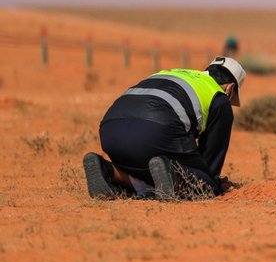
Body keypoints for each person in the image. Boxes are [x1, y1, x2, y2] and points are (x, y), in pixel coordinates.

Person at [82, 56, 246, 200]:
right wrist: (211, 180)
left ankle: (109, 170)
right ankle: (174, 178)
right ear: (230, 88)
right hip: (155, 130)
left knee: (151, 170)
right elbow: (210, 162)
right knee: (207, 183)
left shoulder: (173, 73)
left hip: (110, 129)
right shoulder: (219, 98)